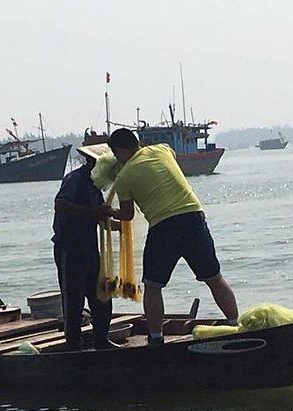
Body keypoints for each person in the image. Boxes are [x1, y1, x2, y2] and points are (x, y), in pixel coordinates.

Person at [107, 128, 239, 346]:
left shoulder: (124, 177)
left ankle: (156, 337)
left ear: (121, 152)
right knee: (213, 277)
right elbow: (168, 159)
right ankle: (235, 324)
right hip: (193, 216)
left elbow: (126, 215)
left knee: (153, 285)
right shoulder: (163, 150)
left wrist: (107, 213)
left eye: (116, 154)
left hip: (164, 226)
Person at [52, 144, 117, 351]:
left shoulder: (95, 185)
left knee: (101, 296)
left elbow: (99, 217)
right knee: (73, 299)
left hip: (90, 248)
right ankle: (73, 344)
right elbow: (61, 204)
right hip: (69, 248)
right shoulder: (75, 179)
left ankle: (101, 339)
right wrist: (94, 212)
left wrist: (119, 224)